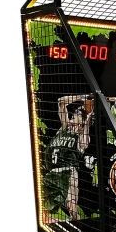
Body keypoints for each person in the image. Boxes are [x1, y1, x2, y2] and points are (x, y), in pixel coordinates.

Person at [42, 95, 94, 223]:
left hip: (68, 173)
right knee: (43, 206)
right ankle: (56, 227)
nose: (71, 118)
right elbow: (61, 102)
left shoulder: (82, 136)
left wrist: (88, 117)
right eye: (72, 116)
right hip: (51, 174)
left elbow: (84, 139)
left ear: (81, 121)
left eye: (75, 116)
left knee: (71, 208)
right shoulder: (64, 128)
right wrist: (81, 97)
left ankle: (80, 227)